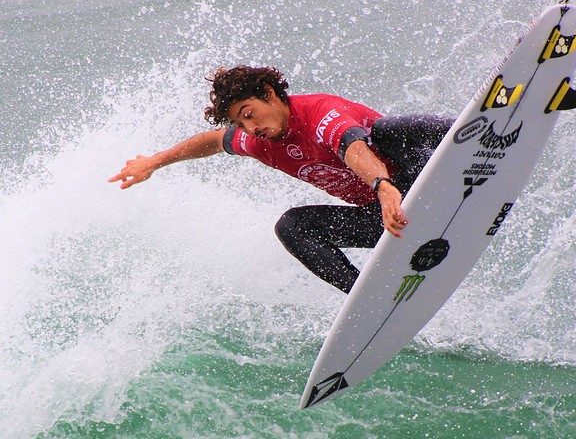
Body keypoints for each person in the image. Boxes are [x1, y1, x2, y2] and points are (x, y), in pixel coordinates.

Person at [108, 65, 452, 294]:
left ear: (270, 94)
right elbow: (213, 140)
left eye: (248, 114)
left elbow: (352, 146)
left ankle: (477, 133)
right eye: (240, 124)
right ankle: (370, 299)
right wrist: (156, 160)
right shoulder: (259, 141)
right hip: (393, 219)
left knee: (386, 131)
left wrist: (382, 186)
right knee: (291, 226)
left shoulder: (319, 113)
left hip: (425, 178)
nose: (249, 128)